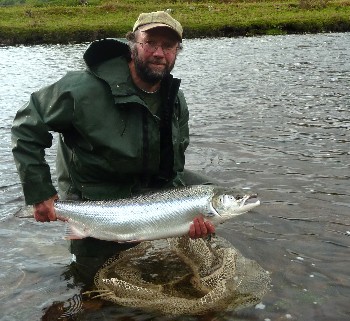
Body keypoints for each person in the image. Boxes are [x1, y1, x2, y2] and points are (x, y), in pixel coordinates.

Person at [11, 11, 215, 284]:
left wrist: (186, 218)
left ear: (177, 51)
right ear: (132, 44)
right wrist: (40, 192)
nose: (158, 53)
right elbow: (26, 127)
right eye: (150, 42)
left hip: (144, 192)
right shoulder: (81, 89)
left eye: (168, 46)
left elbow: (173, 167)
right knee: (96, 286)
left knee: (210, 198)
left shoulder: (175, 100)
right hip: (92, 196)